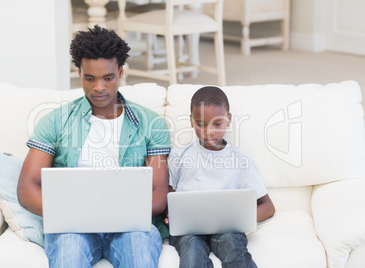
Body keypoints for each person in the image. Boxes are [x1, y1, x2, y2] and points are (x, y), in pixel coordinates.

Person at [17, 25, 171, 268]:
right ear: (79, 73)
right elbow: (27, 189)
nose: (99, 87)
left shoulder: (151, 124)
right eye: (90, 78)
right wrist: (74, 213)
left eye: (108, 78)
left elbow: (160, 193)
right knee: (68, 254)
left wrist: (113, 213)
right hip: (72, 227)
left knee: (138, 252)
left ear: (120, 72)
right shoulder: (55, 121)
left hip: (130, 227)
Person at [166, 86, 275, 268]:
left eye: (217, 124)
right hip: (189, 230)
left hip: (228, 228)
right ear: (191, 121)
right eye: (201, 124)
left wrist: (240, 219)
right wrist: (170, 213)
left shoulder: (241, 160)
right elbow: (170, 195)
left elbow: (268, 206)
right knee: (192, 257)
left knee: (234, 251)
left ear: (228, 120)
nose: (209, 132)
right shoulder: (179, 155)